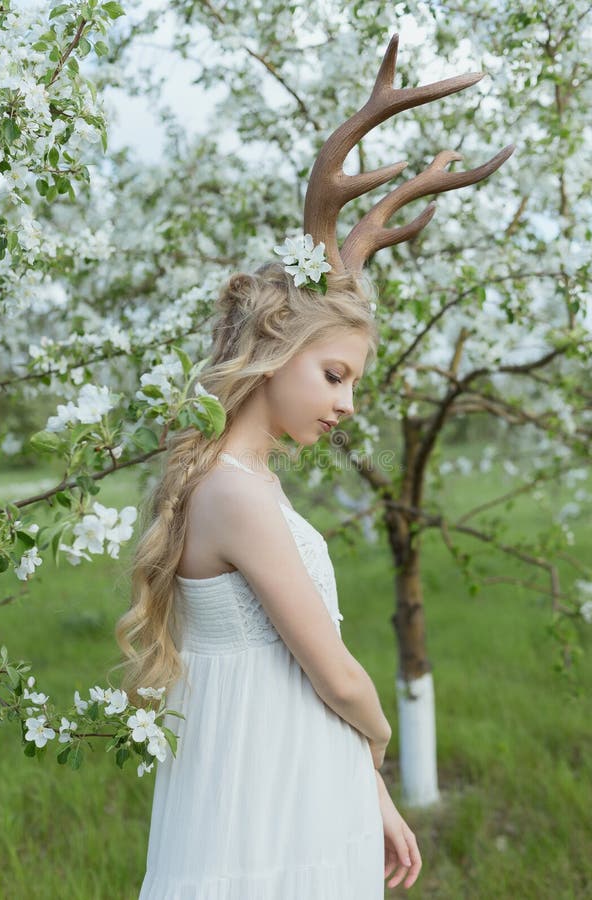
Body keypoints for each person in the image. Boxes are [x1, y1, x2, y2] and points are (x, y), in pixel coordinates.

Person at [115, 257, 422, 897]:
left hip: (299, 769)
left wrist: (372, 796)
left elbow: (295, 667)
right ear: (273, 351)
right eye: (334, 375)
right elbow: (334, 676)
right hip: (260, 789)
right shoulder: (236, 494)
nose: (348, 404)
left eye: (354, 384)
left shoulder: (251, 482)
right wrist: (381, 731)